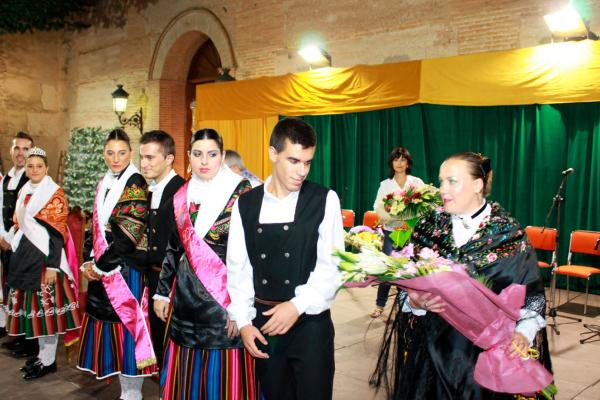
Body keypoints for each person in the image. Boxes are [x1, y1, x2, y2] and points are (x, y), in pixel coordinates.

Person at [371, 152, 551, 400]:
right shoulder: (429, 225)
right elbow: (407, 284)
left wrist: (523, 332)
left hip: (482, 356)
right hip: (431, 352)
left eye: (451, 181)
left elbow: (531, 293)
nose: (442, 189)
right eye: (441, 181)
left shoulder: (508, 234)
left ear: (478, 185)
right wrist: (416, 302)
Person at [227, 117, 345, 400]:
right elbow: (239, 270)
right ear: (273, 153)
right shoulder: (245, 204)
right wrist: (243, 322)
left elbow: (333, 266)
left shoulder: (325, 199)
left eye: (307, 162)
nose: (302, 171)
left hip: (311, 325)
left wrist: (296, 305)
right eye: (294, 161)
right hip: (265, 326)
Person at [153, 129, 258, 400]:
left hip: (224, 303)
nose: (204, 161)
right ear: (188, 156)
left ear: (222, 156)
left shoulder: (243, 192)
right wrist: (162, 291)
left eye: (212, 154)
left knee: (221, 381)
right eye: (197, 154)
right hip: (186, 302)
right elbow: (174, 247)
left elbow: (251, 256)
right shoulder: (182, 195)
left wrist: (241, 310)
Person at [77, 129, 155, 400]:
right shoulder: (105, 182)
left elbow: (128, 236)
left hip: (126, 269)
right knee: (114, 332)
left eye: (121, 152)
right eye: (110, 153)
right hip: (107, 265)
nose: (115, 158)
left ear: (130, 154)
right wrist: (89, 259)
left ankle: (132, 394)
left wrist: (99, 266)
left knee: (129, 331)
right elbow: (95, 226)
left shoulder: (136, 183)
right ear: (103, 154)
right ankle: (126, 392)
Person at [3, 147, 81, 379]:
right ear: (25, 169)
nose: (34, 170)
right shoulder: (25, 190)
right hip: (25, 256)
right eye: (30, 166)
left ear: (46, 169)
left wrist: (52, 267)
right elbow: (20, 224)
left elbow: (57, 234)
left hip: (45, 259)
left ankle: (48, 361)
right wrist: (8, 237)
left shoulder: (54, 193)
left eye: (39, 166)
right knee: (34, 313)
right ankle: (40, 356)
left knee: (47, 314)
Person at [139, 130, 185, 370]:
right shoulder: (150, 190)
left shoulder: (182, 191)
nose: (144, 164)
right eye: (142, 157)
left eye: (150, 158)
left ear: (169, 158)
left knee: (171, 346)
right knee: (158, 343)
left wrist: (165, 292)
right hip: (152, 277)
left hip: (173, 282)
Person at [370, 147, 424, 318]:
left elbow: (425, 206)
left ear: (408, 163)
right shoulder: (385, 185)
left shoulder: (416, 182)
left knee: (410, 271)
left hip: (411, 234)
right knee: (388, 270)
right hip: (391, 233)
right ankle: (380, 305)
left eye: (403, 160)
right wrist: (390, 215)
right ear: (391, 163)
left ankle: (406, 305)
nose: (399, 163)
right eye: (396, 160)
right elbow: (377, 207)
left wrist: (410, 217)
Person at [0, 132, 36, 358]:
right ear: (12, 151)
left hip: (23, 244)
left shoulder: (33, 177)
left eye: (25, 149)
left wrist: (12, 240)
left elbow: (30, 216)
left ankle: (29, 342)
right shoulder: (6, 178)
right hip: (6, 241)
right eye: (17, 148)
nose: (20, 153)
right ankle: (18, 335)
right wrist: (2, 236)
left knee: (26, 294)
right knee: (13, 292)